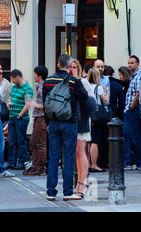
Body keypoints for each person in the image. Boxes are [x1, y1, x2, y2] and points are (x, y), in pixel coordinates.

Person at [43, 54, 88, 201]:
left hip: (54, 123)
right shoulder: (73, 81)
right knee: (68, 157)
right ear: (69, 66)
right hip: (70, 123)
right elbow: (84, 97)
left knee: (53, 158)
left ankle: (50, 192)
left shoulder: (48, 81)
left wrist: (47, 123)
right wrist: (75, 77)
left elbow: (45, 104)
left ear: (57, 65)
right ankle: (68, 192)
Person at [69, 59, 93, 197]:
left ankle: (82, 184)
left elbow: (91, 102)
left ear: (78, 69)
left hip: (82, 121)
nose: (72, 70)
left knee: (80, 152)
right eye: (70, 67)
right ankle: (79, 183)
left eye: (74, 67)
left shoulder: (83, 82)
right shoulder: (70, 83)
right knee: (77, 153)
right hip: (74, 121)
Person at [25, 65, 49, 176]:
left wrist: (33, 104)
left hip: (41, 118)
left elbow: (46, 105)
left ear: (39, 75)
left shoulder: (44, 87)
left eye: (35, 74)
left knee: (40, 144)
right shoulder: (39, 86)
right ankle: (35, 166)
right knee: (33, 143)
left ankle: (41, 168)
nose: (33, 75)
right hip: (37, 118)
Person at [6, 69, 33, 170]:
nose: (12, 82)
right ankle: (11, 162)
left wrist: (19, 116)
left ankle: (22, 162)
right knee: (11, 141)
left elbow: (27, 105)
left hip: (21, 119)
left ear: (17, 77)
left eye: (12, 79)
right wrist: (9, 103)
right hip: (12, 117)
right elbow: (10, 97)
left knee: (21, 141)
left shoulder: (27, 89)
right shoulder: (14, 87)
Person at [123, 55, 141, 171]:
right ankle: (131, 161)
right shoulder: (133, 76)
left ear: (137, 64)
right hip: (129, 110)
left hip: (133, 110)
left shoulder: (139, 76)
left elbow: (138, 93)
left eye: (132, 63)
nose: (129, 65)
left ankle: (138, 161)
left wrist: (131, 106)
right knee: (128, 135)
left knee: (135, 136)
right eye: (129, 63)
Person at [87, 67, 109, 172]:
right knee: (95, 141)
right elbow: (105, 101)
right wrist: (107, 92)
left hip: (88, 115)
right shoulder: (98, 88)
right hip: (97, 116)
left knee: (88, 141)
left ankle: (87, 162)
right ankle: (94, 164)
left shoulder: (86, 86)